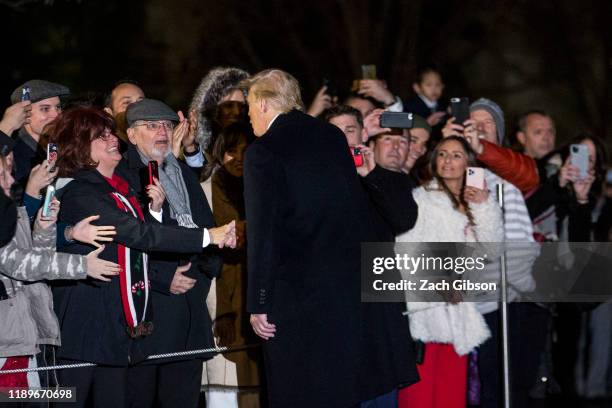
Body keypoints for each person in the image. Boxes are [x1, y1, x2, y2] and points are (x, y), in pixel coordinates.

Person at [48, 107, 235, 407]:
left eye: (111, 132)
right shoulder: (82, 192)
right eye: (102, 136)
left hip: (116, 331)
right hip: (85, 333)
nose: (113, 139)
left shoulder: (117, 188)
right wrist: (209, 236)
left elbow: (144, 238)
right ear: (81, 146)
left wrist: (157, 211)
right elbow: (136, 233)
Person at [243, 69, 406, 407]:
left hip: (294, 299)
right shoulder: (331, 137)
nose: (247, 116)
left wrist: (259, 301)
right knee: (340, 390)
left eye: (248, 107)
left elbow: (264, 233)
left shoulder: (263, 152)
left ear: (262, 104)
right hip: (344, 292)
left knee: (299, 392)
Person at [111, 98, 223, 408]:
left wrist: (202, 275)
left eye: (167, 125)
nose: (162, 132)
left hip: (189, 313)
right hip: (149, 316)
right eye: (151, 126)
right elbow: (121, 241)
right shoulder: (122, 175)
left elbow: (206, 229)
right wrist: (162, 278)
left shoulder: (182, 173)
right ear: (131, 135)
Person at [0, 149, 120, 392]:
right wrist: (83, 266)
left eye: (9, 172)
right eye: (3, 174)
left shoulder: (8, 208)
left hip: (29, 338)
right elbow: (18, 263)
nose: (12, 180)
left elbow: (37, 261)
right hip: (7, 344)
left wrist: (44, 229)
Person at [396, 136, 503, 408]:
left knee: (451, 396)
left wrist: (483, 206)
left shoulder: (476, 202)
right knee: (419, 396)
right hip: (426, 313)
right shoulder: (421, 199)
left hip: (460, 314)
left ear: (469, 162)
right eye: (443, 154)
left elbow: (492, 251)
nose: (448, 160)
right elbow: (404, 252)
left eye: (456, 155)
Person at [201, 121, 263, 408]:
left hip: (258, 302)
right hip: (217, 304)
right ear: (218, 153)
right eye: (230, 151)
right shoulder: (203, 192)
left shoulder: (265, 191)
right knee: (222, 390)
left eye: (246, 150)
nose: (238, 158)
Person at [442, 97, 539, 194]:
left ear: (498, 132)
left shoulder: (511, 161)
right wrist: (448, 146)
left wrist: (481, 148)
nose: (480, 128)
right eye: (474, 122)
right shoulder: (458, 161)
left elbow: (531, 178)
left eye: (488, 122)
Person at [9, 79, 70, 184]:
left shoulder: (63, 146)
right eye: (45, 109)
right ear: (24, 114)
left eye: (58, 107)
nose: (56, 115)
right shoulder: (13, 157)